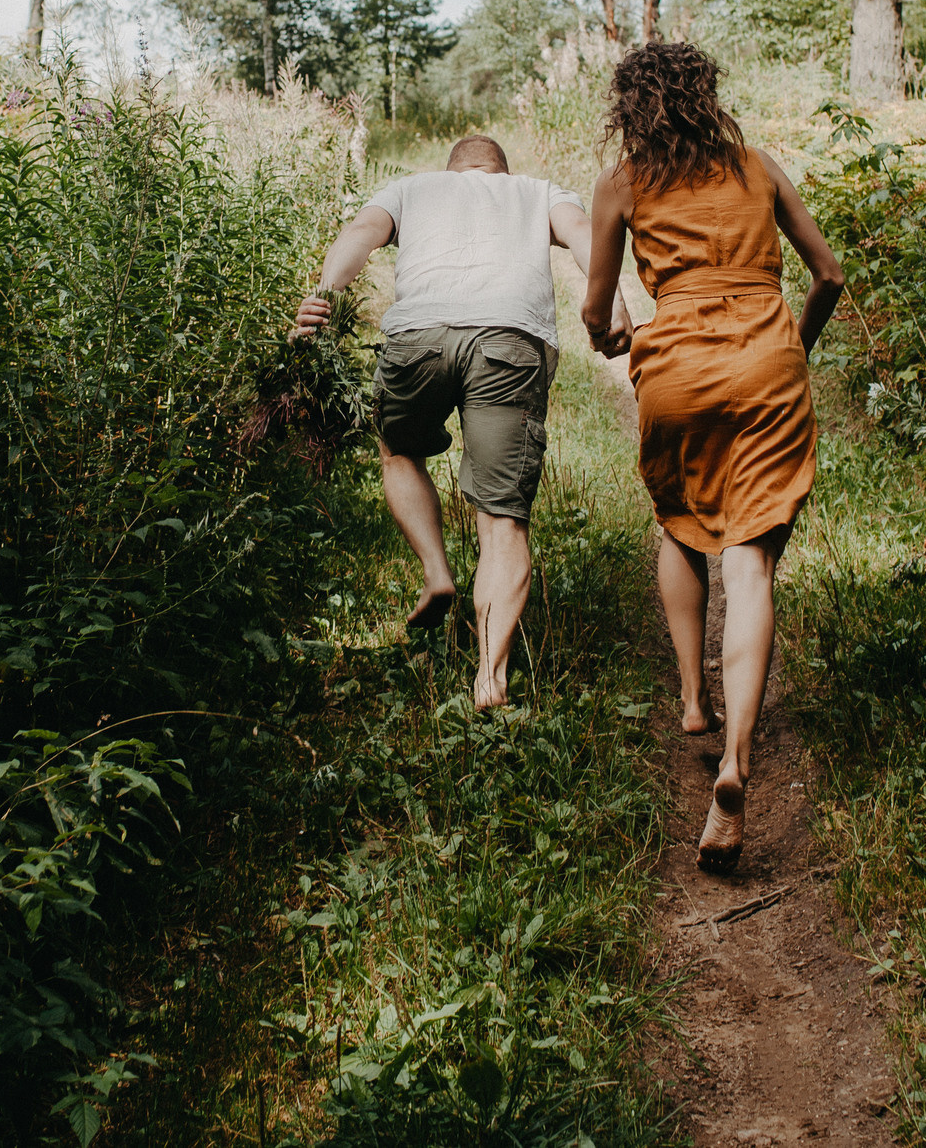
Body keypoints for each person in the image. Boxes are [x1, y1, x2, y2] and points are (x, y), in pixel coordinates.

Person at [580, 44, 845, 871]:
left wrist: (615, 332)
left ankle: (694, 698)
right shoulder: (758, 166)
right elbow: (829, 274)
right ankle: (735, 762)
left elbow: (596, 313)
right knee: (752, 562)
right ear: (707, 96)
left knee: (681, 524)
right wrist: (790, 350)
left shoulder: (624, 183)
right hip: (768, 359)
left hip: (679, 373)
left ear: (631, 106)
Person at [293, 133, 627, 709]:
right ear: (501, 168)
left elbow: (360, 234)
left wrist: (324, 294)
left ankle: (436, 572)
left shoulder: (412, 188)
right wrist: (614, 303)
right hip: (509, 342)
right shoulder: (537, 191)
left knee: (399, 453)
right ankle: (490, 677)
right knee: (502, 520)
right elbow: (584, 236)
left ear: (454, 168)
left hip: (418, 337)